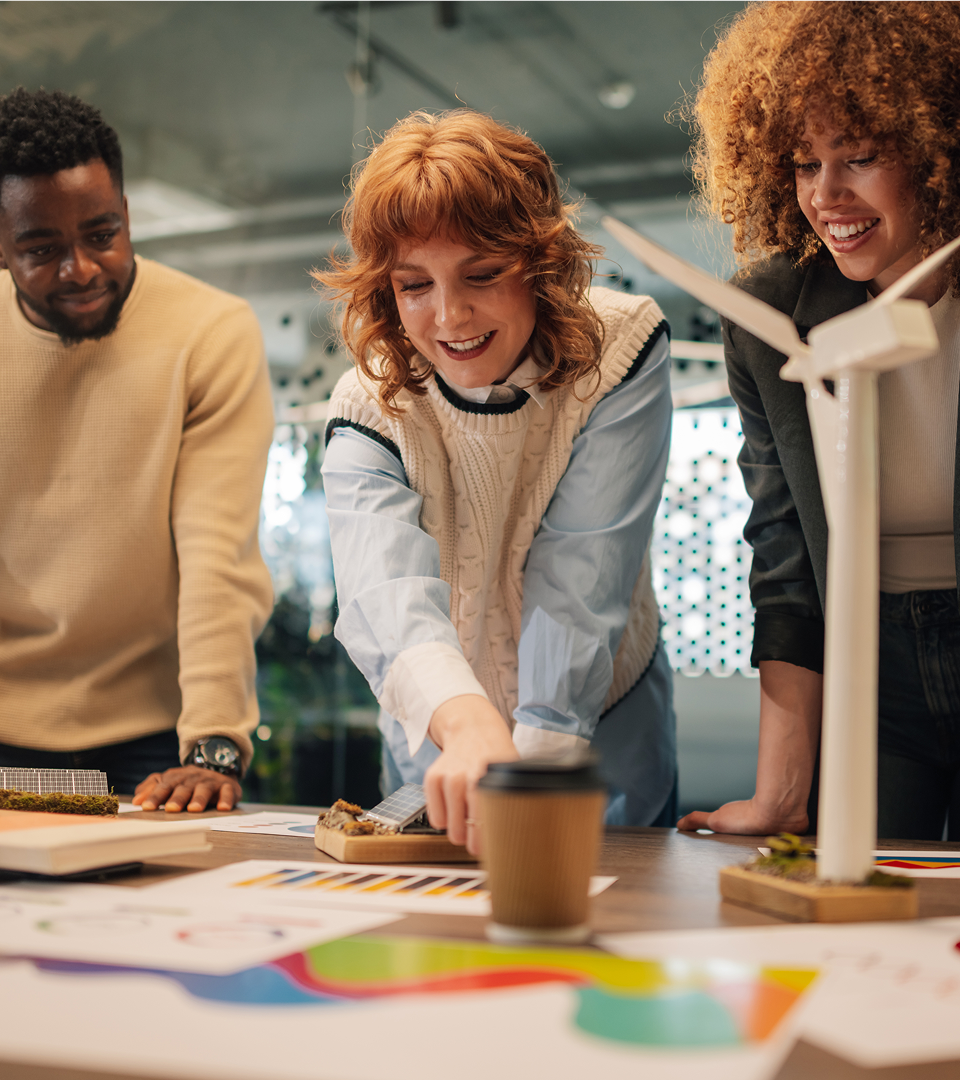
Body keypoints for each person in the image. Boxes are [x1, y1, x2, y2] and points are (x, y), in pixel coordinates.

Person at [317, 110, 676, 852]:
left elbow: (583, 569)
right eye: (414, 286)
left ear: (541, 264)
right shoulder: (366, 402)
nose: (450, 316)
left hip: (605, 713)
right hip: (441, 727)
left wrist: (538, 769)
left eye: (482, 275)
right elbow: (383, 593)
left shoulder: (623, 347)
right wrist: (467, 723)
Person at [676, 0, 960, 841]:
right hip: (869, 675)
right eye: (803, 164)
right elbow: (787, 558)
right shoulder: (770, 318)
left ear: (940, 146)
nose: (825, 196)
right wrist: (780, 792)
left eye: (860, 157)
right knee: (862, 913)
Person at [0, 88, 274, 811]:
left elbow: (218, 557)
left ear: (126, 212)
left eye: (102, 233)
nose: (82, 268)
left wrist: (215, 740)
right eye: (41, 249)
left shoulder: (211, 332)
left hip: (157, 737)